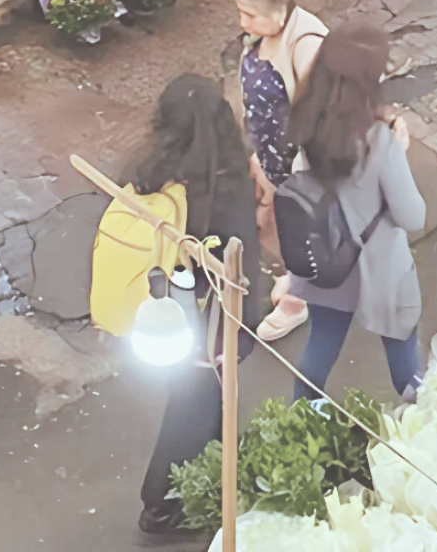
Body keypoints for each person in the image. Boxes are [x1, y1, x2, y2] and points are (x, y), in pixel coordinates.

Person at [129, 76, 261, 536]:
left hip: (161, 309)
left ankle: (220, 469)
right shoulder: (226, 186)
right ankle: (159, 505)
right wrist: (243, 332)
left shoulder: (152, 172)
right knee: (192, 407)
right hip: (208, 322)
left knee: (199, 401)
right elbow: (244, 266)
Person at [285, 25, 426, 400]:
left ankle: (305, 416)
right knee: (405, 363)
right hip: (379, 269)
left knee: (320, 347)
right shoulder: (379, 141)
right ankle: (420, 425)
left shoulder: (306, 118)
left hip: (326, 259)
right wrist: (400, 152)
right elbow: (412, 216)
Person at [228, 0, 327, 341]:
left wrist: (302, 174)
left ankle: (297, 303)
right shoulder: (263, 35)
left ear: (280, 11)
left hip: (299, 165)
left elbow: (319, 118)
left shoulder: (309, 45)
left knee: (301, 233)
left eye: (250, 15)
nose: (243, 23)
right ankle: (295, 276)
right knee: (276, 228)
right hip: (269, 154)